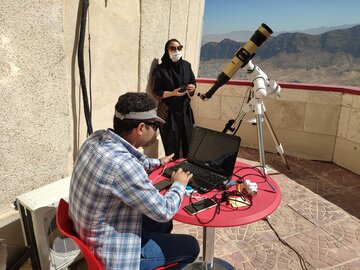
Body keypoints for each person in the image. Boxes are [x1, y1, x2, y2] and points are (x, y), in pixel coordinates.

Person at [69, 92, 199, 270]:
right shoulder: (124, 166)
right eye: (154, 125)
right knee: (191, 246)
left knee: (163, 225)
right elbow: (165, 210)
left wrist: (158, 162)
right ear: (141, 128)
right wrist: (179, 184)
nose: (156, 130)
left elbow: (131, 159)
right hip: (113, 255)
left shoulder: (96, 139)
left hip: (91, 235)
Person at [153, 38, 196, 160]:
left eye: (179, 48)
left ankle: (188, 168)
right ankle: (173, 171)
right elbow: (157, 91)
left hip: (185, 109)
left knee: (188, 139)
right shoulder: (161, 70)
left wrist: (193, 88)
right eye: (172, 48)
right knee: (172, 142)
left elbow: (193, 82)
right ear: (167, 51)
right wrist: (173, 93)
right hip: (169, 111)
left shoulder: (186, 66)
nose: (176, 51)